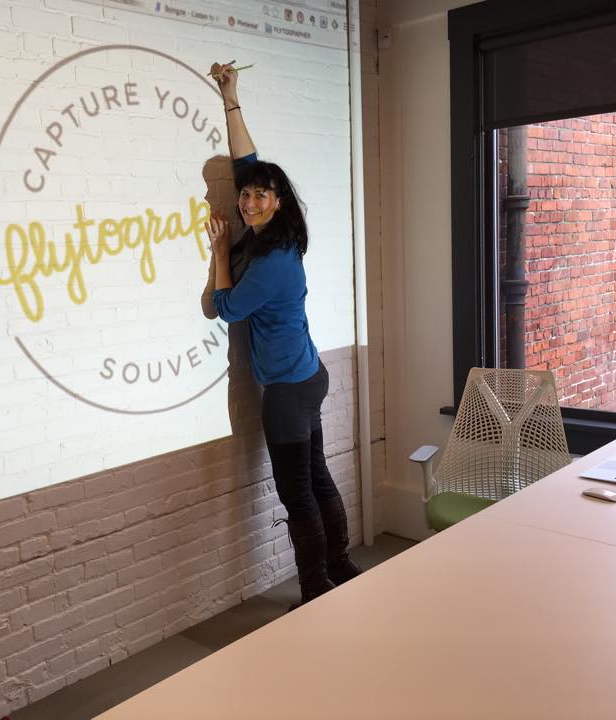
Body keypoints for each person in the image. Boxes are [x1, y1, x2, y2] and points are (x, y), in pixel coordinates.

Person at [201, 60, 361, 608]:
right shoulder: (283, 236)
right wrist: (231, 95)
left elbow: (225, 308)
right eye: (244, 196)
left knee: (298, 491)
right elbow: (248, 160)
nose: (247, 202)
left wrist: (221, 253)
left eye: (259, 196)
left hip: (290, 390)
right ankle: (340, 565)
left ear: (280, 201)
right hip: (308, 374)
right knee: (315, 475)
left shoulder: (270, 261)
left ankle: (316, 584)